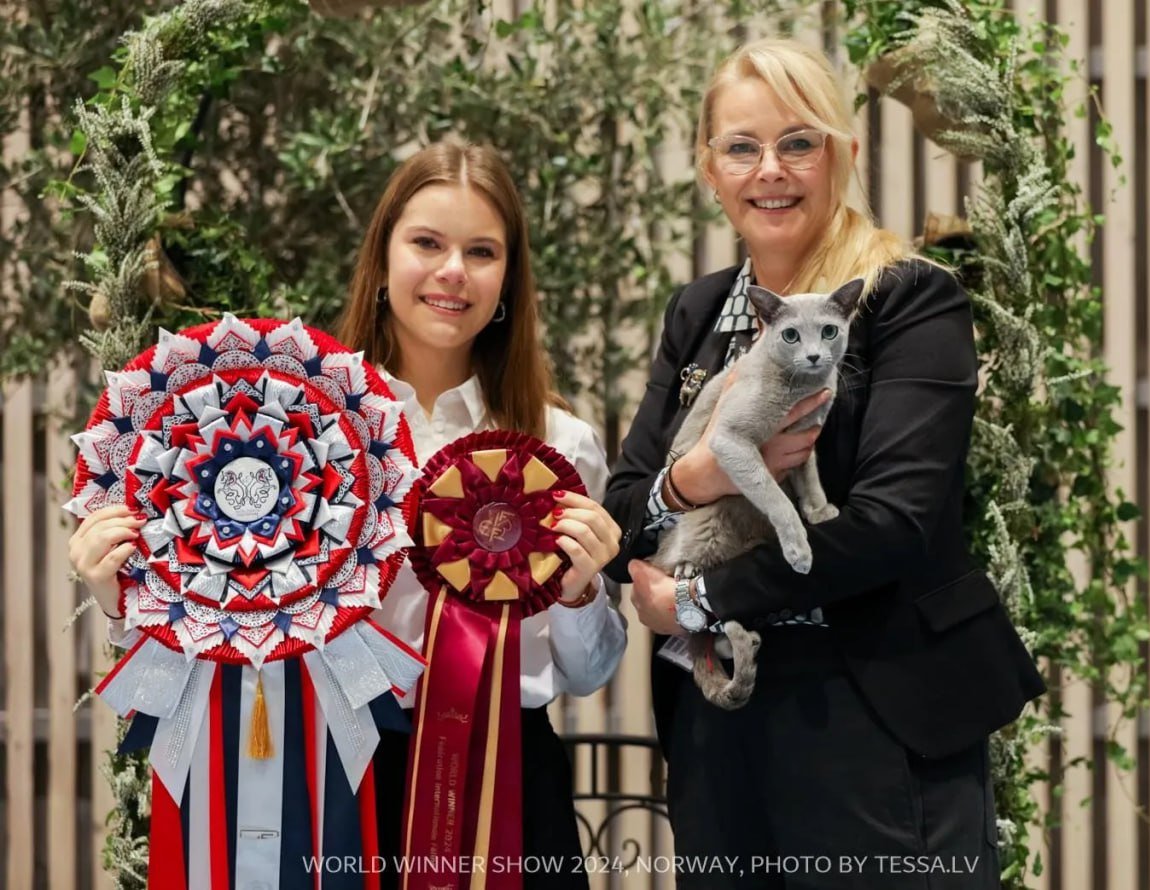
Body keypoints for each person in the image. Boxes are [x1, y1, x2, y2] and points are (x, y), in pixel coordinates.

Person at [71, 140, 626, 889]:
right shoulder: (294, 427)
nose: (453, 271)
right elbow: (217, 616)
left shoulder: (560, 447)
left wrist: (584, 590)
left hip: (507, 783)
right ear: (383, 256)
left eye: (482, 251)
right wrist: (118, 595)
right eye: (427, 242)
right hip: (333, 778)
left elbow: (588, 674)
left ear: (510, 279)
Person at [603, 39, 1045, 889]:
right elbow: (627, 508)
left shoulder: (907, 297)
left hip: (875, 708)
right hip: (721, 714)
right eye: (742, 146)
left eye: (799, 142)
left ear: (842, 153)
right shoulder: (697, 313)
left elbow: (896, 523)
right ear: (710, 169)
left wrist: (696, 597)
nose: (771, 169)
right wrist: (695, 478)